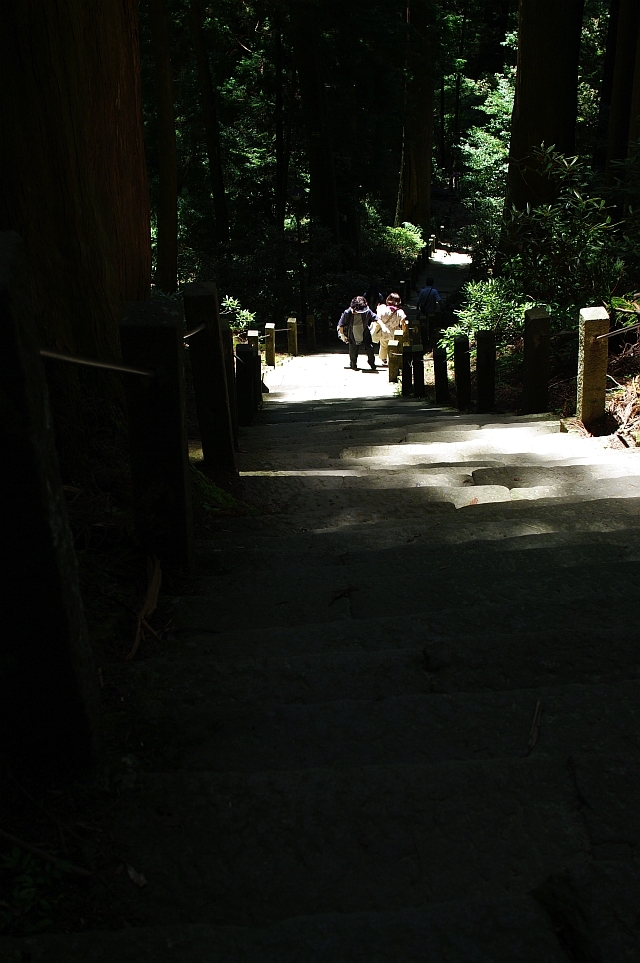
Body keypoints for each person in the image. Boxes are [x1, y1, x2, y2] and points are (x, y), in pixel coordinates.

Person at [337, 296, 377, 370]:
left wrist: (376, 326)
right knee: (353, 351)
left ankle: (372, 363)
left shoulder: (367, 311)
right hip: (352, 333)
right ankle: (353, 364)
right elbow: (341, 325)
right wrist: (342, 335)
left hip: (365, 332)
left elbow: (375, 318)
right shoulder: (347, 312)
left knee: (370, 348)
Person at [373, 292, 407, 365]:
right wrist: (403, 332)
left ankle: (383, 358)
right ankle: (391, 360)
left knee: (383, 346)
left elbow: (377, 319)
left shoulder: (382, 309)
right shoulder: (400, 312)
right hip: (395, 333)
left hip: (384, 331)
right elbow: (403, 323)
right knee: (393, 347)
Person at [417, 277, 442, 348]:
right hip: (432, 312)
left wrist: (417, 309)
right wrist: (442, 307)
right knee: (431, 326)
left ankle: (424, 341)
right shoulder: (434, 291)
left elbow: (418, 301)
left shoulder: (422, 291)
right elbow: (439, 300)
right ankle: (430, 339)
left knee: (423, 326)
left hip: (423, 312)